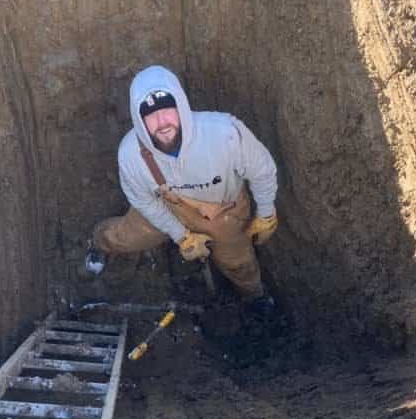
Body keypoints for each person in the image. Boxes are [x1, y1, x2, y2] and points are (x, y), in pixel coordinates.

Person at [86, 65, 278, 312]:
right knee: (123, 236)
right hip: (166, 208)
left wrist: (265, 213)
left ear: (182, 107)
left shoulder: (225, 135)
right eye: (150, 115)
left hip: (224, 212)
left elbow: (262, 171)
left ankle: (254, 297)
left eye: (167, 110)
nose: (162, 122)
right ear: (138, 119)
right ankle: (98, 243)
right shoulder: (131, 154)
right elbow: (144, 201)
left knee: (239, 264)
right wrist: (181, 235)